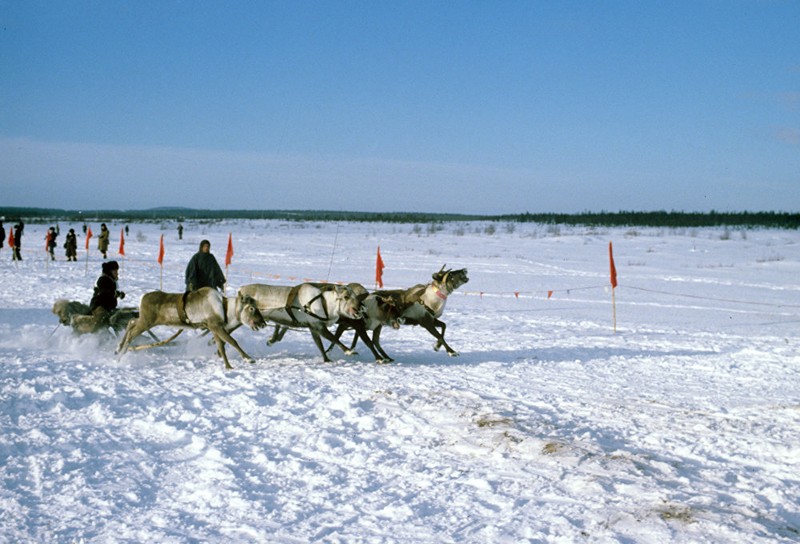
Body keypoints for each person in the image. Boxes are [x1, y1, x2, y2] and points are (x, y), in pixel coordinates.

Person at [72, 261, 126, 333]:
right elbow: (103, 291)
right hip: (99, 306)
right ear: (109, 272)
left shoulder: (113, 281)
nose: (117, 273)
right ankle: (95, 333)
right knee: (102, 318)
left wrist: (119, 294)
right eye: (115, 271)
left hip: (109, 307)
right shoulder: (102, 279)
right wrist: (114, 293)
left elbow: (112, 293)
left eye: (117, 271)